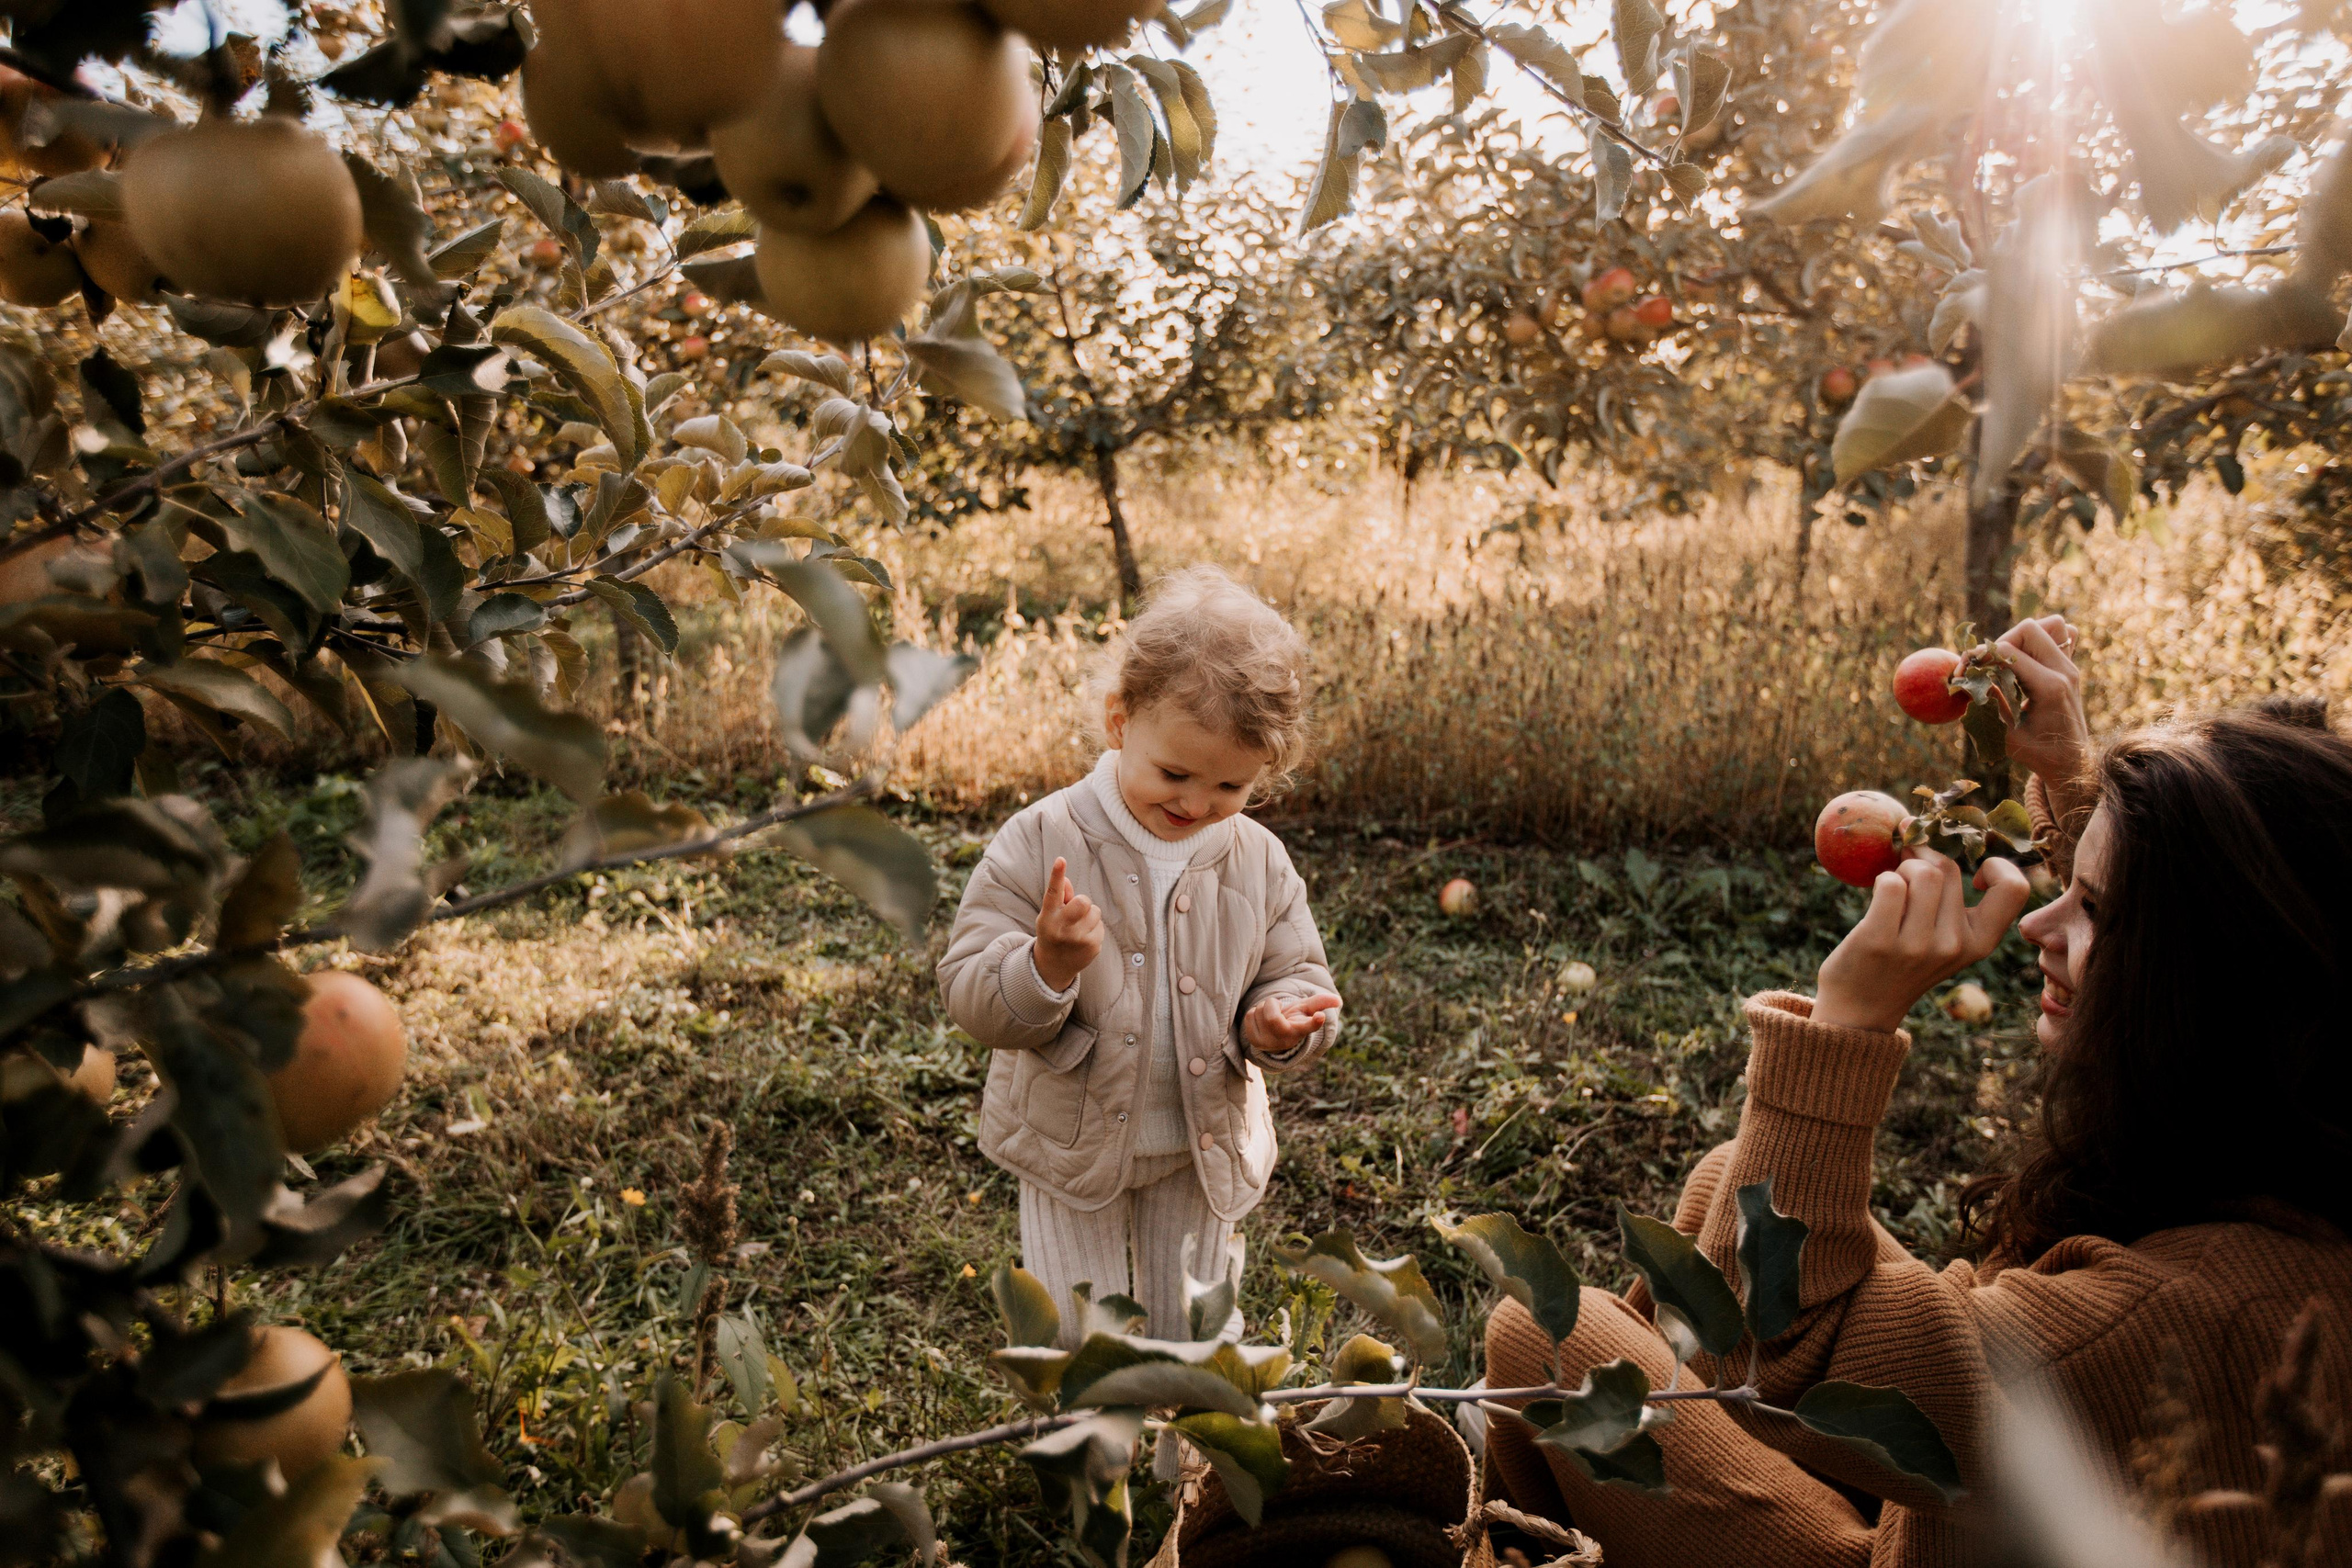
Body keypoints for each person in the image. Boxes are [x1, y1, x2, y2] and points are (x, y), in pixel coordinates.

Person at [1483, 615, 2352, 1568]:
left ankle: (1538, 1547)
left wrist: (1843, 1030)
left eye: (2093, 907)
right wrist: (2074, 781)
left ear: (2210, 983)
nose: (2039, 924)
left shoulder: (2160, 1321)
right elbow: (2205, 909)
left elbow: (1786, 1355)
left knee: (1546, 1338)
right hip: (2001, 1507)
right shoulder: (2306, 1139)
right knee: (1728, 1181)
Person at [938, 566, 1341, 1345]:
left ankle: (1184, 1461)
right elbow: (967, 984)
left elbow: (1299, 972)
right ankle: (1098, 1462)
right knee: (1081, 1337)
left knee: (1197, 1329)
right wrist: (1045, 965)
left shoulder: (1256, 861)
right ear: (1119, 721)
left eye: (1230, 785)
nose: (1196, 803)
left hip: (1203, 1144)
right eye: (1175, 774)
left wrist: (1279, 1022)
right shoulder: (1044, 838)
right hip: (1071, 1145)